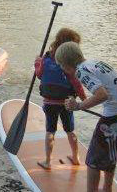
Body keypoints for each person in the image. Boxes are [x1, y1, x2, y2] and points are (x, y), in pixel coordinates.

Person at [56, 42, 117, 192]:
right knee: (110, 153)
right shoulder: (94, 62)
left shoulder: (81, 71)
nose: (61, 68)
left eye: (60, 65)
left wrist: (78, 106)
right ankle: (107, 189)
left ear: (66, 65)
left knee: (93, 160)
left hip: (115, 115)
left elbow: (102, 95)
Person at [34, 28, 87, 170]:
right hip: (66, 103)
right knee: (70, 130)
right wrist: (84, 99)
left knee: (50, 131)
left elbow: (39, 75)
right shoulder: (68, 61)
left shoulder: (46, 58)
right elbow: (76, 83)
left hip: (49, 103)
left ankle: (47, 161)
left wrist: (37, 63)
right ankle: (76, 158)